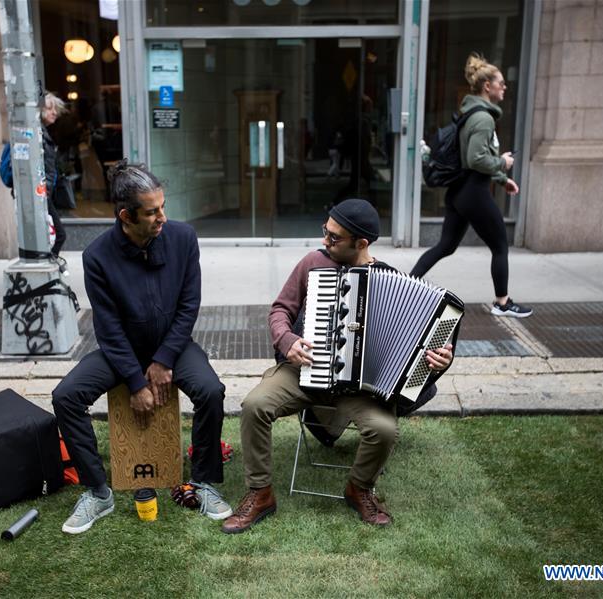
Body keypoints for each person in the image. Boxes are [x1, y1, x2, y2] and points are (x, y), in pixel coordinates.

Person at [222, 199, 455, 534]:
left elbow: (418, 355)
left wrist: (439, 361)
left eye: (334, 238)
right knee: (255, 405)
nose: (324, 242)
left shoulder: (388, 279)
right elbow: (279, 311)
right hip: (303, 371)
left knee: (385, 429)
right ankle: (260, 494)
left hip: (357, 388)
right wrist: (288, 341)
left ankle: (359, 489)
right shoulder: (312, 263)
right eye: (325, 232)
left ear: (361, 244)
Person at [52, 160, 231, 534]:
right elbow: (108, 327)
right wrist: (135, 381)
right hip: (123, 353)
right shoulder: (97, 256)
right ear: (125, 216)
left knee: (212, 391)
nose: (162, 217)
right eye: (152, 212)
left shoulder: (183, 238)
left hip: (175, 346)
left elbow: (188, 306)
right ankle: (98, 492)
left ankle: (201, 484)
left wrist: (164, 359)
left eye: (163, 206)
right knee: (66, 395)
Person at [410, 53, 531, 318]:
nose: (505, 87)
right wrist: (502, 162)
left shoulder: (470, 113)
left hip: (459, 192)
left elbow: (473, 157)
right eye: (501, 83)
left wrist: (501, 179)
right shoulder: (483, 118)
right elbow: (476, 158)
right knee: (500, 246)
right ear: (487, 86)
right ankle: (502, 302)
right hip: (474, 192)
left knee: (446, 246)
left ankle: (406, 287)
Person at [40, 92, 68, 272]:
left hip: (44, 193)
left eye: (55, 110)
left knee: (54, 236)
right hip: (40, 194)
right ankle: (50, 266)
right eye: (50, 109)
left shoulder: (43, 134)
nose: (54, 113)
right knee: (59, 235)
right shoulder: (36, 134)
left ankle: (50, 266)